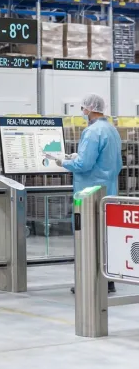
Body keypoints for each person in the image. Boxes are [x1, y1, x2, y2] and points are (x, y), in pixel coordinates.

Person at [45, 93, 122, 294]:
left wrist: (64, 162)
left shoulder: (92, 132)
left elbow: (84, 164)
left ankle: (89, 282)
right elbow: (114, 162)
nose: (83, 112)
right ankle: (108, 280)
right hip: (108, 192)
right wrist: (77, 156)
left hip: (89, 194)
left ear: (89, 109)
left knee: (87, 238)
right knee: (103, 238)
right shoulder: (111, 130)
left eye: (83, 109)